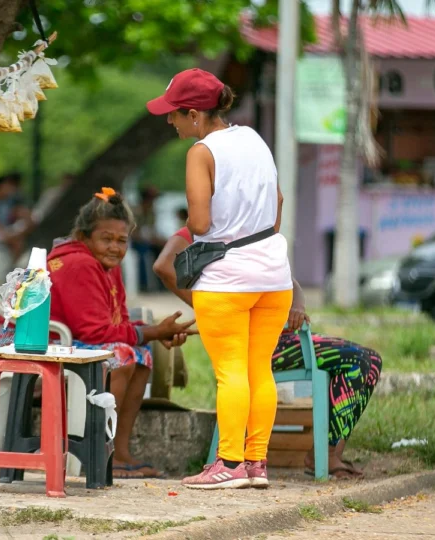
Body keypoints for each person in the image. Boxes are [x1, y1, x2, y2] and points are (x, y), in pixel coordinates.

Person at [147, 68, 293, 490]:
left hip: (227, 281)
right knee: (258, 370)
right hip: (273, 274)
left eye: (174, 114)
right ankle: (255, 464)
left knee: (230, 372)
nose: (169, 122)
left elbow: (200, 221)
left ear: (195, 115)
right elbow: (278, 201)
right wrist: (257, 237)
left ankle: (228, 464)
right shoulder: (253, 139)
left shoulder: (201, 152)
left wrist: (219, 239)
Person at [0, 187, 196, 479]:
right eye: (106, 239)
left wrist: (155, 333)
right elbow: (96, 331)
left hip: (63, 341)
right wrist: (151, 331)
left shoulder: (106, 265)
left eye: (122, 241)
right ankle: (101, 453)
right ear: (84, 237)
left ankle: (120, 453)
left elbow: (117, 320)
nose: (115, 247)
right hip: (30, 345)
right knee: (123, 358)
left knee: (140, 355)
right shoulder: (79, 263)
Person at [155, 228, 383, 479]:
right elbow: (165, 265)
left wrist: (297, 303)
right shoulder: (215, 221)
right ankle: (324, 454)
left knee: (367, 359)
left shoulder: (256, 220)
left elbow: (286, 279)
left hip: (279, 334)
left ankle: (325, 451)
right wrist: (211, 311)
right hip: (260, 343)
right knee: (362, 360)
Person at [131, 185, 167, 292]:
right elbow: (133, 233)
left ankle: (163, 284)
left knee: (165, 251)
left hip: (148, 241)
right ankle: (144, 285)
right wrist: (150, 238)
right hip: (136, 243)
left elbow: (153, 230)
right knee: (143, 253)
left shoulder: (152, 212)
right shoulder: (135, 212)